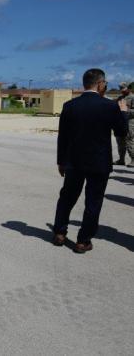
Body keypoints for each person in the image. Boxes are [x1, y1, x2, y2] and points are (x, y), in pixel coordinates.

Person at [52, 68, 129, 253]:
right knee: (93, 202)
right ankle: (83, 240)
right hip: (98, 163)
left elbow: (62, 137)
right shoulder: (110, 106)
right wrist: (124, 113)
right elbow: (122, 132)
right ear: (100, 84)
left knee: (67, 198)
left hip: (73, 161)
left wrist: (61, 161)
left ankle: (59, 233)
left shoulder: (70, 105)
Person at [113, 82, 134, 167]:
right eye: (120, 88)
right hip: (120, 123)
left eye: (123, 88)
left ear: (128, 88)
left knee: (129, 141)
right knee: (120, 141)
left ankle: (133, 159)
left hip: (130, 123)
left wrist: (125, 111)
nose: (121, 90)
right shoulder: (120, 98)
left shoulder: (132, 98)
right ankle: (121, 159)